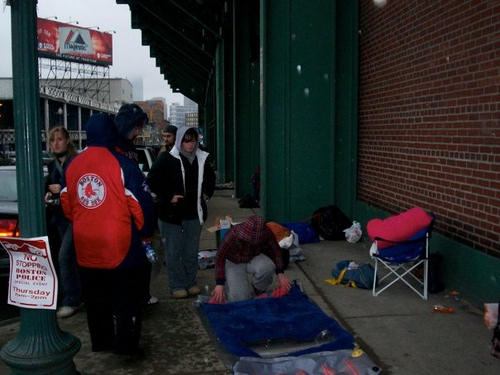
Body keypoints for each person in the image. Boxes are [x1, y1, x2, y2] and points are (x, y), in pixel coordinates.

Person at [61, 113, 155, 355]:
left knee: (95, 301)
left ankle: (102, 343)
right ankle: (126, 347)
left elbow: (65, 202)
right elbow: (141, 206)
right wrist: (145, 235)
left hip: (86, 246)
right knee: (127, 300)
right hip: (119, 247)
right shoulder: (124, 164)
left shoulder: (72, 165)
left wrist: (85, 220)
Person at [147, 126, 215, 299]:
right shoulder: (167, 159)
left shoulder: (202, 158)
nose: (190, 144)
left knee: (191, 251)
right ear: (179, 141)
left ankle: (190, 282)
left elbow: (210, 178)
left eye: (193, 140)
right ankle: (176, 285)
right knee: (173, 252)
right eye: (186, 140)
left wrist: (206, 195)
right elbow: (151, 181)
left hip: (194, 213)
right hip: (171, 216)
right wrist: (167, 196)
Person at [114, 103, 158, 306]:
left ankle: (140, 297)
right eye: (137, 127)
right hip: (126, 223)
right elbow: (139, 197)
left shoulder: (126, 151)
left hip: (129, 222)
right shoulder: (119, 155)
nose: (140, 131)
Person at [44, 126, 82, 318]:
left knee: (64, 257)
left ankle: (72, 300)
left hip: (75, 218)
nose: (56, 143)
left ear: (67, 141)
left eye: (59, 139)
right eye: (53, 140)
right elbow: (49, 190)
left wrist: (63, 189)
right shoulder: (52, 166)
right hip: (59, 217)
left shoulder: (76, 162)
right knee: (69, 259)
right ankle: (74, 294)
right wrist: (49, 195)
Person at [210, 215, 291, 303]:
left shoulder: (267, 232)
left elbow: (276, 251)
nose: (252, 242)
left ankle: (258, 289)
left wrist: (280, 273)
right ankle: (228, 285)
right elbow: (219, 257)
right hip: (234, 262)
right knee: (240, 300)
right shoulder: (233, 233)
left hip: (254, 256)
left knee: (268, 267)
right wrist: (219, 283)